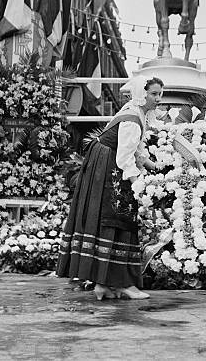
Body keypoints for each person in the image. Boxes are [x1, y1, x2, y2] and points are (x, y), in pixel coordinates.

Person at [57, 76, 164, 300]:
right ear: (142, 94)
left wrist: (151, 165)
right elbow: (125, 157)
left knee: (113, 217)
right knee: (118, 216)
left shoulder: (134, 112)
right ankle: (120, 282)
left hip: (104, 163)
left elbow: (133, 149)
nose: (158, 98)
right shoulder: (132, 118)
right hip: (109, 167)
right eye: (154, 94)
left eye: (159, 93)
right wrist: (139, 184)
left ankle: (104, 284)